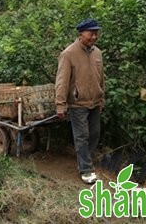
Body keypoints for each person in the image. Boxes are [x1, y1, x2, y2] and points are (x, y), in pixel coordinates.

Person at [55, 19, 105, 184]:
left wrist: (101, 98)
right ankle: (86, 169)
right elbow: (62, 81)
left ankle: (84, 161)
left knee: (95, 134)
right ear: (81, 34)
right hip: (78, 103)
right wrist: (60, 104)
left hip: (95, 102)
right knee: (82, 136)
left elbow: (101, 78)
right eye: (91, 33)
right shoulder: (68, 54)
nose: (94, 36)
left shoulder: (98, 53)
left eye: (96, 33)